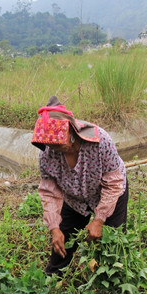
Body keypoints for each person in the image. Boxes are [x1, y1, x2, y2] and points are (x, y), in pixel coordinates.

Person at [31, 96, 128, 275]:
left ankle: (111, 282)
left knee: (112, 242)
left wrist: (99, 219)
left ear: (71, 129)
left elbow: (114, 184)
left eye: (60, 145)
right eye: (52, 146)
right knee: (62, 243)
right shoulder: (48, 154)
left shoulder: (101, 142)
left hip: (110, 190)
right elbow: (49, 192)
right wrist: (54, 228)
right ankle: (52, 281)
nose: (57, 150)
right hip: (74, 198)